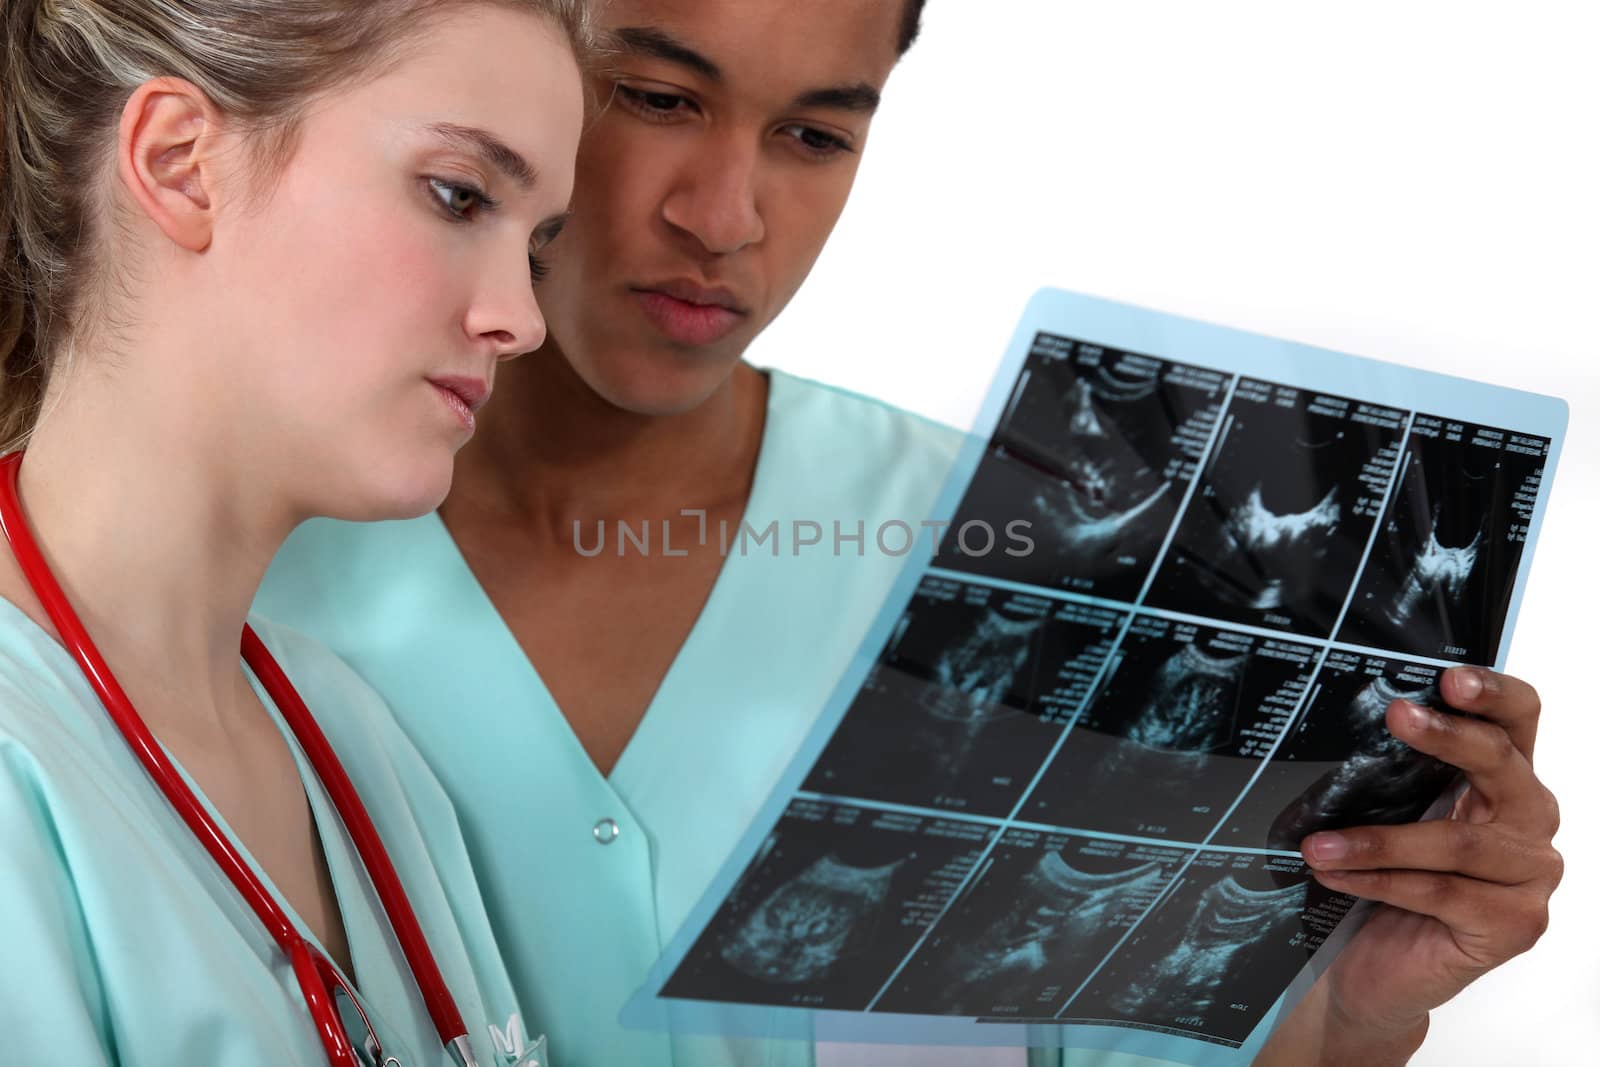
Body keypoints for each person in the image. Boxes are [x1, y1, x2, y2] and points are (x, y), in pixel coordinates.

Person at [256, 2, 1564, 1066]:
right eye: (657, 99)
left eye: (814, 134)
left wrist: (1352, 1013)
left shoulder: (1039, 555)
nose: (725, 217)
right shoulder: (246, 561)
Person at [0, 1, 587, 1063]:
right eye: (459, 196)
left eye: (536, 247)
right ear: (180, 163)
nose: (521, 316)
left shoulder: (354, 738)